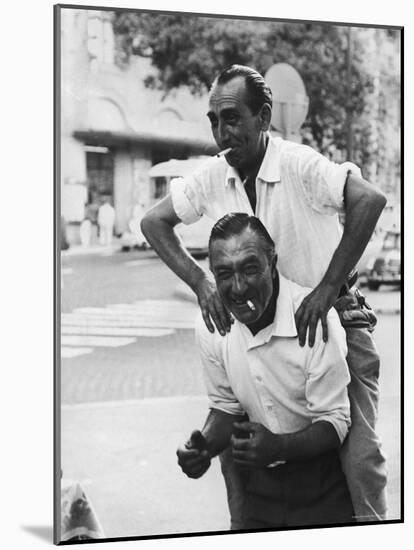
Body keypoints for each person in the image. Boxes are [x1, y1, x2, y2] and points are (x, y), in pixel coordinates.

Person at [141, 64, 388, 522]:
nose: (221, 133)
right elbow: (154, 222)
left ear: (265, 117)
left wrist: (329, 286)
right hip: (253, 331)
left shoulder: (298, 163)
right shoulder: (214, 175)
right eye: (213, 121)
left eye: (232, 118)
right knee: (237, 459)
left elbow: (368, 199)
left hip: (325, 323)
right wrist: (201, 283)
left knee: (359, 464)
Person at [177, 213, 354, 528]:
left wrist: (279, 446)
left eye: (250, 269)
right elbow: (225, 408)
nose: (239, 287)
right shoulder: (212, 326)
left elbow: (335, 422)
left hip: (323, 488)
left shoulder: (314, 318)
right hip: (259, 489)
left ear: (272, 265)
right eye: (224, 274)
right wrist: (203, 447)